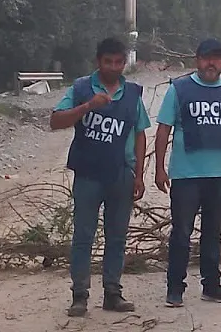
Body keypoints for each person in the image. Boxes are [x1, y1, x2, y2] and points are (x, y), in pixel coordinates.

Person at [50, 37, 150, 318]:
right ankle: (79, 295)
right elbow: (55, 120)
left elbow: (140, 133)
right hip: (88, 175)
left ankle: (112, 293)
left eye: (119, 62)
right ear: (98, 62)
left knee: (117, 237)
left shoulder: (132, 94)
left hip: (120, 174)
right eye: (109, 62)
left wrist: (139, 174)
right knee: (83, 235)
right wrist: (87, 107)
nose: (114, 67)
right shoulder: (82, 88)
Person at [154, 37, 221, 307]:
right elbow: (163, 129)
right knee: (181, 233)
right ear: (197, 60)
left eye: (217, 58)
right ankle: (175, 288)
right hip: (186, 175)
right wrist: (159, 168)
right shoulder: (180, 89)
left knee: (213, 232)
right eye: (207, 58)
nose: (212, 63)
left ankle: (211, 286)